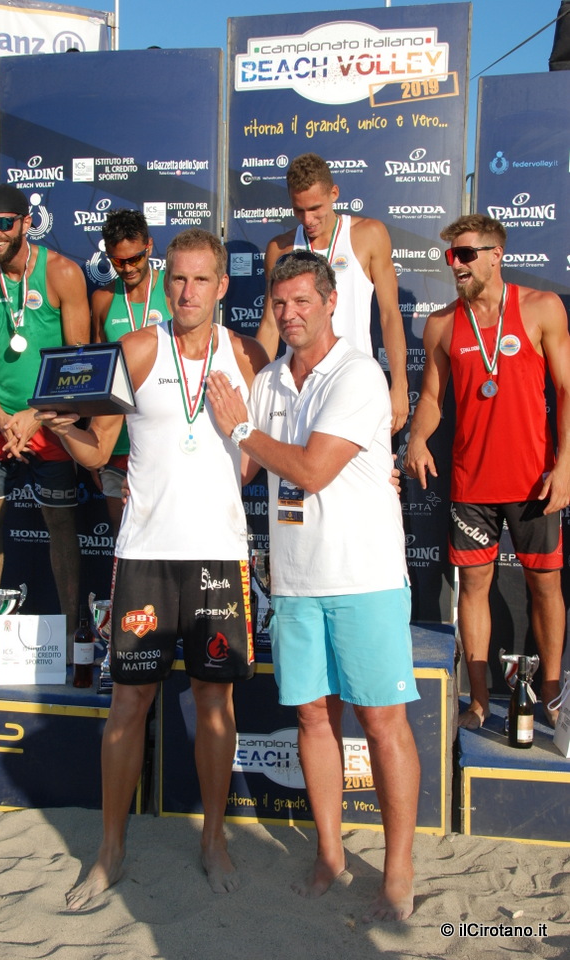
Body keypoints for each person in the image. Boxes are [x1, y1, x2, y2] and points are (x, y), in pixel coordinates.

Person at [35, 228, 269, 910]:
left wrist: (238, 448)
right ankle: (109, 852)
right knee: (128, 704)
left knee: (215, 704)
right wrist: (59, 426)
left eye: (201, 280)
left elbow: (259, 457)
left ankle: (214, 840)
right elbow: (97, 450)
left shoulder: (248, 356)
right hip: (144, 555)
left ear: (222, 286)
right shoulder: (137, 349)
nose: (187, 292)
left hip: (218, 555)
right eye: (178, 280)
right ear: (166, 284)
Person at [207, 250, 420, 922]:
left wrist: (240, 427)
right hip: (296, 581)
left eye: (302, 300)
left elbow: (309, 471)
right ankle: (329, 854)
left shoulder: (358, 373)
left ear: (330, 302)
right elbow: (241, 467)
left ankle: (398, 869)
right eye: (280, 303)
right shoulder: (269, 380)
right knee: (312, 719)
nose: (290, 313)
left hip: (364, 577)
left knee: (381, 723)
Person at [404, 214, 570, 729]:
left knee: (545, 585)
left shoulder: (541, 307)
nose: (455, 264)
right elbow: (432, 398)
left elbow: (566, 390)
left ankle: (551, 696)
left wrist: (565, 464)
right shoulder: (442, 323)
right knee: (473, 586)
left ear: (496, 255)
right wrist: (417, 437)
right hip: (472, 482)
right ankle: (477, 701)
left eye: (465, 254)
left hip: (534, 480)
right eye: (450, 255)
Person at [0, 184, 90, 655]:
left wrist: (36, 414)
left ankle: (71, 632)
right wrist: (0, 416)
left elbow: (77, 359)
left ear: (25, 224)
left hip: (49, 419)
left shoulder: (63, 273)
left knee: (61, 524)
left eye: (4, 224)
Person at [256, 152, 409, 435]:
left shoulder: (369, 234)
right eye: (299, 210)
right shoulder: (280, 248)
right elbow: (269, 324)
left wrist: (399, 385)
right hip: (297, 387)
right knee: (295, 463)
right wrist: (256, 390)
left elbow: (389, 315)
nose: (308, 219)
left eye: (316, 208)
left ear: (334, 193)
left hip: (355, 382)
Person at [91, 208, 171, 535]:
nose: (127, 268)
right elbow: (97, 375)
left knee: (165, 531)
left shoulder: (174, 289)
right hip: (118, 439)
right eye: (118, 261)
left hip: (165, 434)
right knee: (122, 531)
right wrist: (95, 445)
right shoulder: (102, 299)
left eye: (135, 258)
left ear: (149, 246)